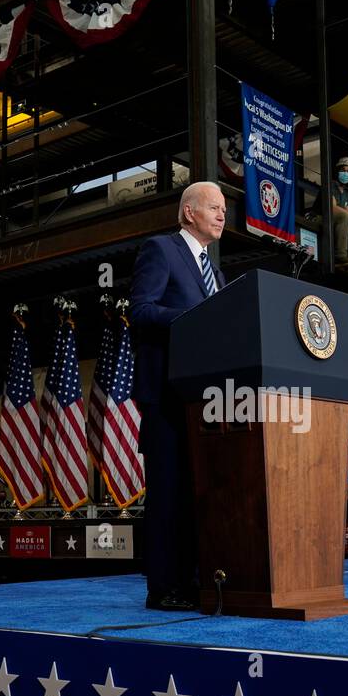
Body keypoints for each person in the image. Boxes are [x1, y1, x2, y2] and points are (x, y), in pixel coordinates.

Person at [129, 181, 228, 611]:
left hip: (202, 400)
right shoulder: (161, 249)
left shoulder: (216, 271)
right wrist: (196, 316)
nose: (223, 214)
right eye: (215, 207)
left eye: (224, 208)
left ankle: (193, 580)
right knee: (168, 494)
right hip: (165, 396)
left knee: (194, 494)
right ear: (189, 212)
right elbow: (141, 310)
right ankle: (163, 588)